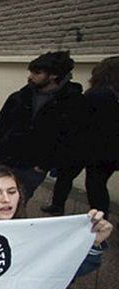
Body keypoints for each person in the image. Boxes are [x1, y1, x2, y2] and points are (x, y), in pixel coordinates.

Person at [0, 164, 112, 277]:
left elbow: (58, 272)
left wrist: (93, 244)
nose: (6, 200)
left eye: (12, 191)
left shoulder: (27, 235)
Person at [0, 51, 87, 202]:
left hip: (32, 167)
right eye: (31, 72)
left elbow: (70, 137)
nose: (31, 76)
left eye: (37, 73)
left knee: (17, 202)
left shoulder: (72, 102)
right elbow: (0, 127)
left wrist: (45, 164)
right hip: (4, 160)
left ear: (53, 75)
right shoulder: (19, 97)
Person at [43, 56, 119, 216]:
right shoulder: (112, 95)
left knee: (70, 178)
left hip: (85, 146)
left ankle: (61, 207)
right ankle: (100, 214)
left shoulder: (97, 95)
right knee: (97, 184)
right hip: (107, 150)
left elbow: (80, 121)